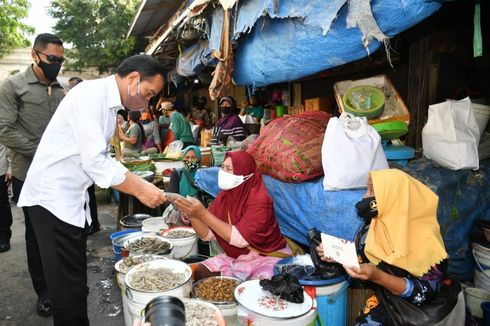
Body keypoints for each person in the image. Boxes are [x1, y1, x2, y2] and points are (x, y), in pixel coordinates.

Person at [17, 54, 168, 326]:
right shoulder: (90, 95)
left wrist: (134, 182)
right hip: (52, 200)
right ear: (133, 78)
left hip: (69, 201)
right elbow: (96, 162)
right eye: (148, 94)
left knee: (74, 282)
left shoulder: (108, 106)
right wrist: (140, 188)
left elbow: (101, 158)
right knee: (67, 289)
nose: (148, 102)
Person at [318, 169, 464, 326]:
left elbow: (423, 294)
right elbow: (363, 258)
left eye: (372, 190)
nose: (365, 196)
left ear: (394, 197)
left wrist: (378, 277)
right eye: (367, 189)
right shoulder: (375, 228)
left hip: (426, 314)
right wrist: (338, 254)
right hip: (393, 302)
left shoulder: (426, 242)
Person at [0, 33, 66, 317]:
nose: (56, 65)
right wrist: (39, 151)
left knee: (64, 231)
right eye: (52, 59)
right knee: (37, 236)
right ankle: (45, 292)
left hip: (61, 174)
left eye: (60, 60)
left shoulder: (60, 90)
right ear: (35, 55)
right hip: (29, 174)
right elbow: (4, 129)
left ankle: (64, 284)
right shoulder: (13, 86)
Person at [173, 151, 301, 281]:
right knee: (202, 272)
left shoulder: (260, 199)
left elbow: (241, 239)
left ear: (244, 173)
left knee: (260, 286)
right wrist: (193, 214)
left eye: (229, 169)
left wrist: (202, 213)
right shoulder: (224, 196)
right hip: (236, 258)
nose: (223, 173)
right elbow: (206, 235)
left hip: (264, 257)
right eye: (222, 167)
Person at [68, 76, 101, 235]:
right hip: (77, 164)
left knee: (88, 195)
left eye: (72, 87)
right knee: (83, 196)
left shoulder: (87, 107)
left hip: (86, 162)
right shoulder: (73, 106)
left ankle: (92, 224)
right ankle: (89, 224)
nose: (69, 91)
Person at [165, 146, 202, 226]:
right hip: (180, 207)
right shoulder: (178, 173)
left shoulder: (203, 174)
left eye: (193, 157)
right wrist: (182, 209)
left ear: (199, 159)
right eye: (187, 157)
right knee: (175, 214)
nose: (190, 160)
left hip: (199, 209)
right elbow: (171, 195)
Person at [0, 144, 12, 253]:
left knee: (2, 205)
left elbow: (10, 147)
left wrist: (10, 168)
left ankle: (4, 237)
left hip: (1, 171)